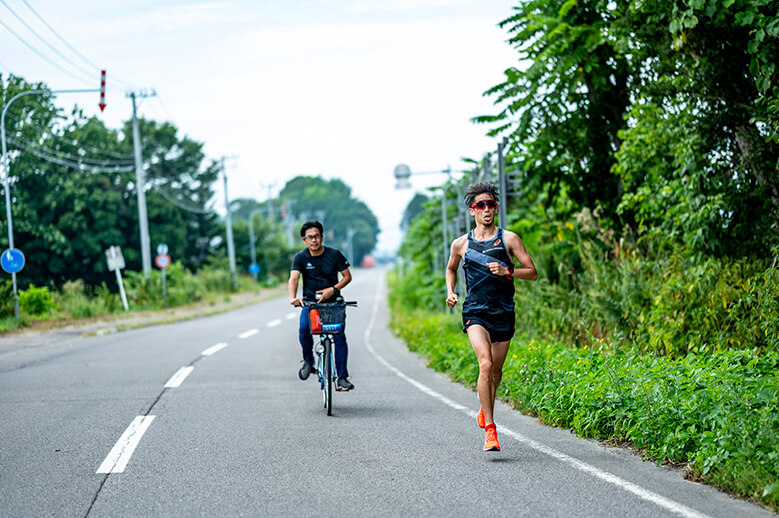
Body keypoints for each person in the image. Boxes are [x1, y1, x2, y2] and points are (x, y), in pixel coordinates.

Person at [445, 182, 537, 451]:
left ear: (495, 208)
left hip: (503, 311)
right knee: (485, 365)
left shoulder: (509, 239)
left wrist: (508, 271)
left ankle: (485, 409)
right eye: (480, 205)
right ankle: (491, 431)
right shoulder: (461, 243)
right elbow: (451, 268)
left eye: (491, 205)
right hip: (475, 310)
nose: (487, 209)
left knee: (496, 373)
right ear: (472, 211)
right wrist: (451, 292)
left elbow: (531, 271)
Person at [288, 220, 355, 391]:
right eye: (310, 237)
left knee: (339, 336)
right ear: (304, 240)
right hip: (311, 304)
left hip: (333, 304)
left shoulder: (334, 254)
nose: (314, 240)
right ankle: (308, 361)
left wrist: (333, 290)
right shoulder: (300, 257)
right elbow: (294, 278)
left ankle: (342, 378)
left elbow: (347, 277)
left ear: (322, 237)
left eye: (317, 236)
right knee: (304, 329)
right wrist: (292, 297)